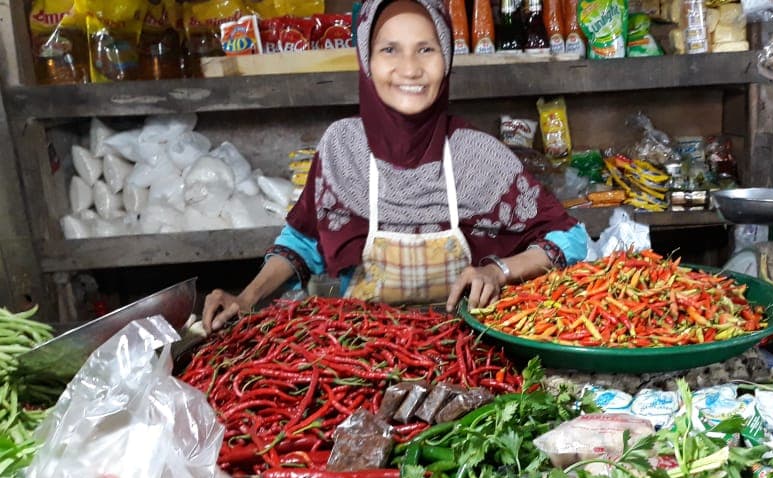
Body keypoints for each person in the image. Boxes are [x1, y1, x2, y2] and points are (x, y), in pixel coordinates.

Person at [202, 0, 588, 332]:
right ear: (366, 61)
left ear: (447, 57)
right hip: (358, 353)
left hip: (468, 352)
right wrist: (248, 297)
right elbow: (304, 241)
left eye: (426, 49)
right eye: (389, 49)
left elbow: (569, 239)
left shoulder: (479, 156)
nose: (410, 69)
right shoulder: (343, 148)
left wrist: (498, 271)